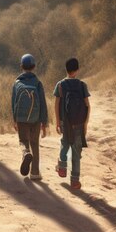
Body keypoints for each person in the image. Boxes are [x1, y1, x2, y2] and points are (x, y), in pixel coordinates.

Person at [54, 57, 91, 190]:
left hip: (65, 121)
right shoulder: (82, 85)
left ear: (66, 69)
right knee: (76, 152)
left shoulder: (60, 84)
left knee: (65, 143)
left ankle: (62, 166)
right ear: (77, 70)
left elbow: (57, 103)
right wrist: (85, 124)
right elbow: (87, 105)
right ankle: (75, 181)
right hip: (79, 124)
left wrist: (58, 121)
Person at [11, 53, 48, 181]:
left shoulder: (17, 83)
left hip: (21, 117)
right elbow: (43, 103)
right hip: (36, 118)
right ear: (34, 67)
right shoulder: (38, 83)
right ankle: (35, 172)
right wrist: (45, 123)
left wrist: (15, 119)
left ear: (21, 66)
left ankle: (25, 153)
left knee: (23, 141)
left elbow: (14, 102)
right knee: (34, 143)